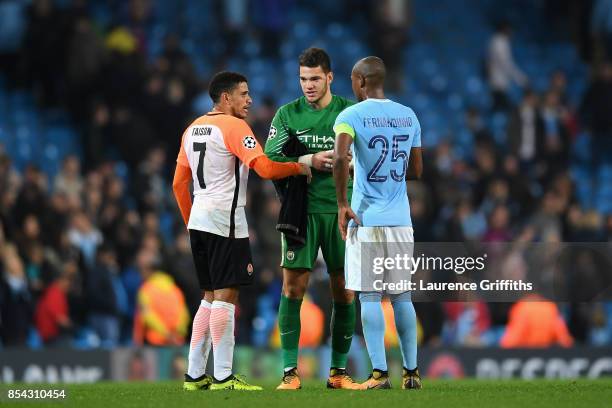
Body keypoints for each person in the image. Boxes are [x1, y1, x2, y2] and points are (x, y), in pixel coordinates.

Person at [172, 71, 310, 391]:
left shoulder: (191, 129)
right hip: (225, 222)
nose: (249, 100)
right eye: (243, 94)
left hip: (200, 221)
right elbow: (263, 167)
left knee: (208, 297)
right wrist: (299, 166)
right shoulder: (233, 126)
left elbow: (179, 183)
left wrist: (189, 221)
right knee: (226, 297)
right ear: (225, 98)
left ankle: (194, 374)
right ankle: (222, 376)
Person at [264, 47, 361, 390]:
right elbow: (268, 160)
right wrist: (307, 159)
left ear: (329, 77)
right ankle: (290, 373)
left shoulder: (349, 111)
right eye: (303, 79)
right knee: (293, 288)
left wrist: (344, 164)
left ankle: (338, 373)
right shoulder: (287, 115)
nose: (308, 85)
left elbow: (368, 156)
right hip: (300, 213)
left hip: (342, 211)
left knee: (344, 291)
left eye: (315, 78)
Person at [333, 56, 423, 389]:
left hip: (366, 219)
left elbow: (340, 156)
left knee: (370, 296)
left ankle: (380, 374)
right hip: (401, 220)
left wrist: (343, 202)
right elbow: (416, 171)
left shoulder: (350, 116)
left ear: (360, 80)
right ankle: (412, 373)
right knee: (401, 296)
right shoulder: (408, 115)